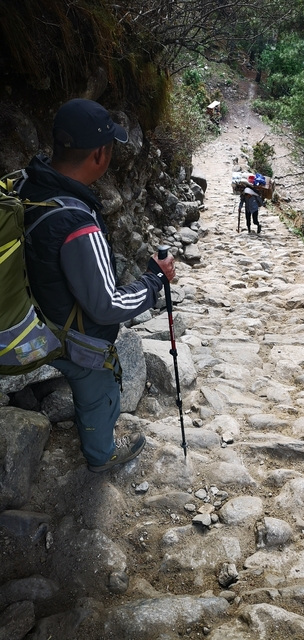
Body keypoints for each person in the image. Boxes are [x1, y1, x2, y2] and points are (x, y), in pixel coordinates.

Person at [18, 98, 176, 473]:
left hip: (26, 311)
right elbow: (105, 306)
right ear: (100, 155)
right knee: (100, 384)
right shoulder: (76, 221)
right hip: (64, 333)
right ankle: (102, 454)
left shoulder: (25, 184)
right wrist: (155, 279)